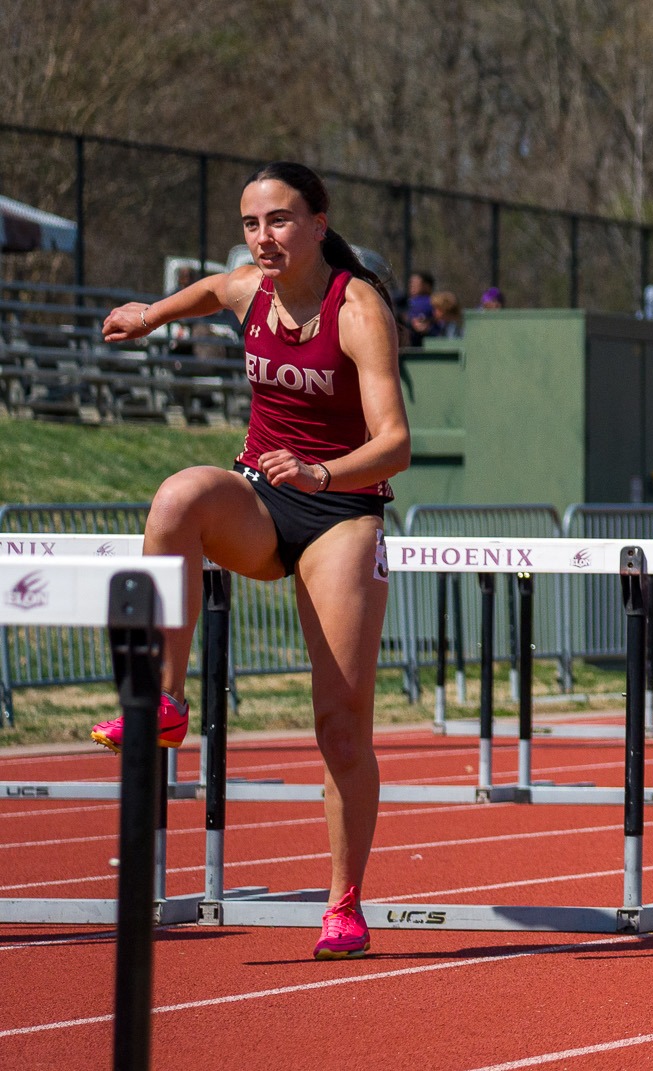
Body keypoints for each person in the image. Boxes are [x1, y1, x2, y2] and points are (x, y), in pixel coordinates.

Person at [91, 161, 410, 961]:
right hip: (262, 501)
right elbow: (208, 289)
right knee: (176, 499)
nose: (262, 238)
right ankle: (164, 700)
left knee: (341, 725)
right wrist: (151, 315)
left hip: (343, 509)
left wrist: (321, 473)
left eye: (277, 220)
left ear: (317, 221)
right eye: (250, 223)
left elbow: (396, 443)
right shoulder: (248, 290)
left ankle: (343, 902)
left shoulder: (358, 308)